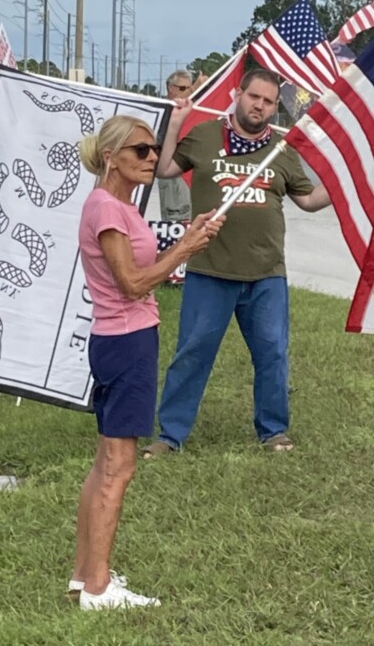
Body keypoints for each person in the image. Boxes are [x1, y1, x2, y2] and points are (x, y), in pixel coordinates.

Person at [71, 115, 224, 611]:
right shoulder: (106, 209)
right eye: (141, 150)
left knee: (104, 465)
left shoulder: (116, 206)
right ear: (111, 156)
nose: (152, 158)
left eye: (155, 149)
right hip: (126, 341)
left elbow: (139, 268)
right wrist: (185, 249)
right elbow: (132, 284)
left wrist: (189, 232)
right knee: (119, 468)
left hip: (124, 339)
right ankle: (98, 590)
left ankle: (84, 575)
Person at [143, 68, 331, 458]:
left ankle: (273, 430)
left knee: (272, 353)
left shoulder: (282, 148)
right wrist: (176, 121)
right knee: (192, 353)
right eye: (254, 97)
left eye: (268, 101)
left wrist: (348, 183)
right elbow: (164, 170)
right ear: (237, 93)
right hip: (210, 270)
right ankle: (170, 435)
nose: (260, 106)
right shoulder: (206, 136)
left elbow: (310, 200)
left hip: (266, 274)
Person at [157, 70, 194, 222]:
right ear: (170, 88)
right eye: (183, 89)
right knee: (176, 221)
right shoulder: (163, 109)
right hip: (171, 173)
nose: (188, 92)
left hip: (188, 170)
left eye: (190, 88)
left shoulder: (190, 108)